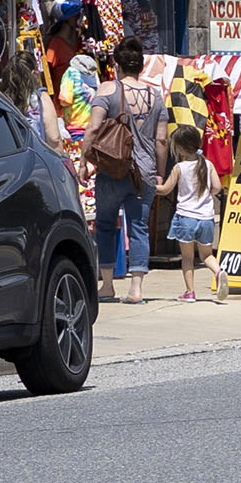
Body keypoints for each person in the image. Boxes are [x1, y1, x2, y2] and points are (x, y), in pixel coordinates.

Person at [79, 41, 168, 298]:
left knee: (106, 225)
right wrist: (159, 171)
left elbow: (93, 129)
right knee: (139, 226)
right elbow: (161, 140)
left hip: (112, 169)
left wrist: (85, 160)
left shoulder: (107, 89)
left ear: (117, 65)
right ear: (140, 67)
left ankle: (107, 285)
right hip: (145, 172)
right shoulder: (156, 96)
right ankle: (136, 288)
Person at [163, 80, 227, 302]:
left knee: (187, 258)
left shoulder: (179, 168)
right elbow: (217, 187)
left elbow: (165, 190)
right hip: (207, 218)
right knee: (207, 254)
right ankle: (219, 273)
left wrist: (152, 185)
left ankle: (189, 292)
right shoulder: (207, 163)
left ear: (179, 148)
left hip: (186, 218)